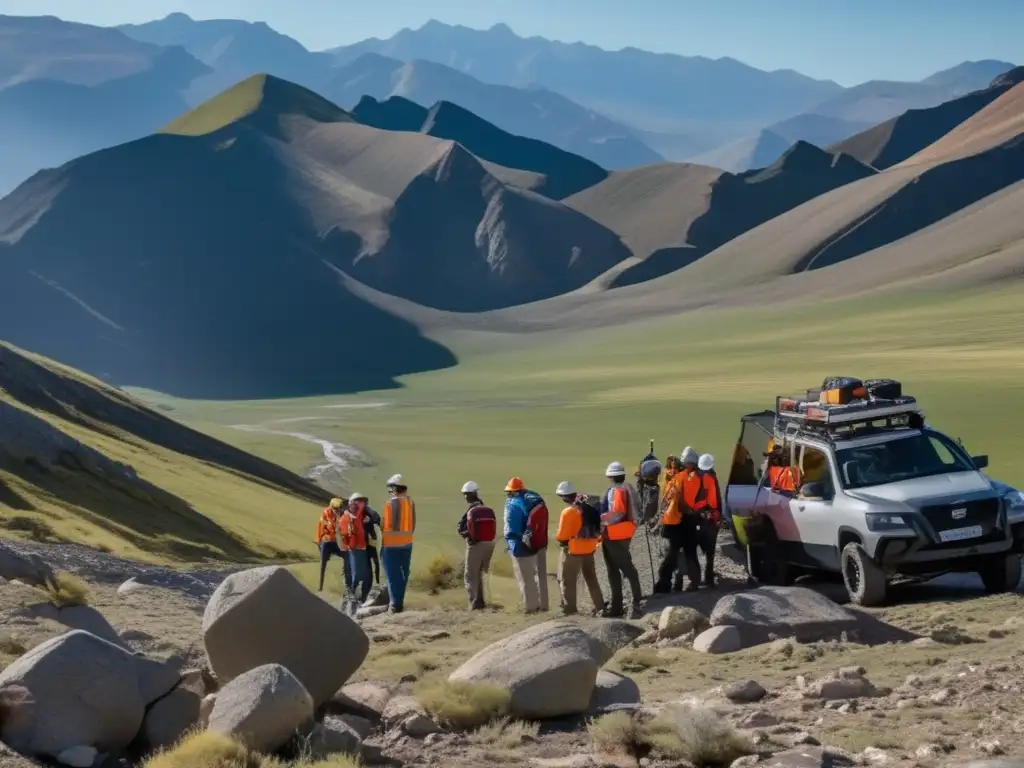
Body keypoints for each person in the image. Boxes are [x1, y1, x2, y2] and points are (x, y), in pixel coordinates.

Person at [600, 461, 644, 618]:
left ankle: (632, 604)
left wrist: (602, 519)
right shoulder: (629, 488)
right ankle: (620, 604)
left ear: (611, 477)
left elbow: (617, 513)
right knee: (619, 569)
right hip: (624, 533)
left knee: (622, 569)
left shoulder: (617, 491)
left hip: (614, 535)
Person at [554, 481, 604, 616]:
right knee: (591, 579)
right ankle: (600, 606)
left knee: (567, 580)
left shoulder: (568, 512)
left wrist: (558, 538)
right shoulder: (588, 508)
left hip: (573, 551)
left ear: (564, 497)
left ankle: (570, 610)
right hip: (589, 549)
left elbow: (562, 535)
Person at [503, 477, 549, 614]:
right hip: (539, 541)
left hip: (521, 545)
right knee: (540, 576)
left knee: (525, 578)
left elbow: (512, 528)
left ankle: (531, 608)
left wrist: (510, 541)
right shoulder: (535, 497)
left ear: (512, 491)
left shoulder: (513, 503)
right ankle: (544, 605)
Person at [457, 480, 497, 610]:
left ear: (469, 494)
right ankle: (480, 601)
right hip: (489, 544)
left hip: (475, 545)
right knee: (480, 574)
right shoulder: (484, 508)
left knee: (470, 575)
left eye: (465, 494)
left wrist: (464, 534)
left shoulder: (472, 510)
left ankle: (473, 604)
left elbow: (463, 528)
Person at [654, 455, 690, 594]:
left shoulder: (677, 484)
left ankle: (670, 584)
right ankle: (675, 583)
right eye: (670, 468)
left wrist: (659, 523)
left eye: (675, 468)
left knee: (670, 556)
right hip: (672, 524)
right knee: (672, 555)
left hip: (675, 524)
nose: (672, 471)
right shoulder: (669, 483)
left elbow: (668, 507)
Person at [381, 474, 415, 614]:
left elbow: (389, 525)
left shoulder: (390, 504)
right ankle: (398, 602)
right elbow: (413, 524)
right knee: (403, 574)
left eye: (391, 489)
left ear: (395, 488)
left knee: (392, 575)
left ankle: (395, 605)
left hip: (391, 544)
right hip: (407, 543)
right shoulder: (410, 503)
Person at [678, 449, 710, 592]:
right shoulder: (702, 476)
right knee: (692, 552)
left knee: (690, 551)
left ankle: (694, 581)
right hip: (697, 520)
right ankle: (696, 579)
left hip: (692, 520)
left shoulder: (694, 479)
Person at [340, 492, 377, 607]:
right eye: (358, 501)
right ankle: (351, 599)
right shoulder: (346, 518)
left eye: (362, 502)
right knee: (355, 575)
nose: (360, 504)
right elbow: (344, 536)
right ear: (351, 503)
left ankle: (361, 599)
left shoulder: (362, 516)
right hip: (353, 550)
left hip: (362, 549)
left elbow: (375, 517)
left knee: (365, 575)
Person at [696, 454, 722, 588]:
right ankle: (709, 578)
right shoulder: (714, 477)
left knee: (700, 549)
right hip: (713, 519)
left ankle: (698, 579)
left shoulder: (698, 479)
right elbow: (718, 500)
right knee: (710, 552)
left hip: (702, 519)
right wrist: (719, 519)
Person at [316, 498, 350, 593]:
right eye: (336, 508)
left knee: (346, 556)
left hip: (335, 542)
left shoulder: (341, 514)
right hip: (326, 542)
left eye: (339, 508)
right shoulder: (326, 513)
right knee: (323, 564)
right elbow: (328, 526)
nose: (338, 510)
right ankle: (320, 587)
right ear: (332, 507)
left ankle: (347, 582)